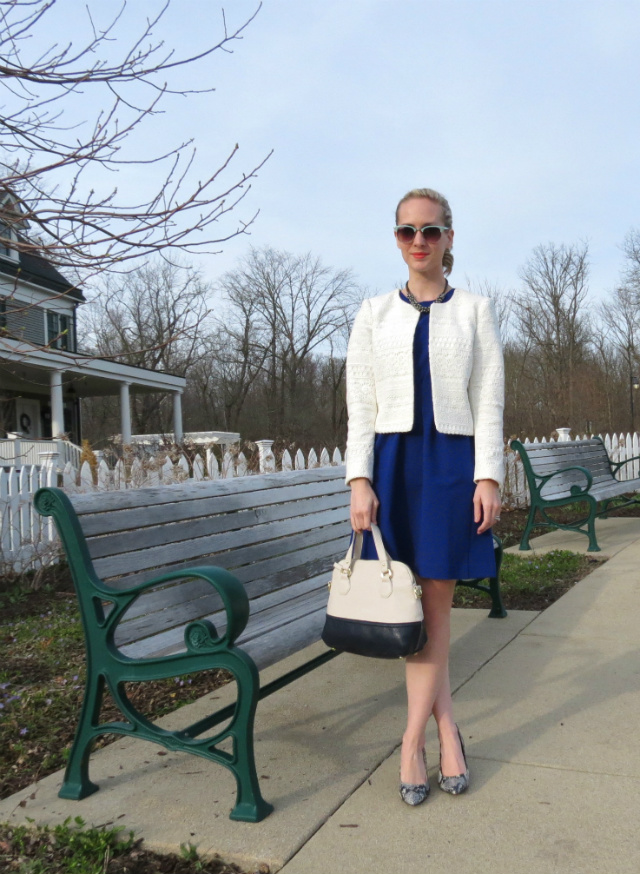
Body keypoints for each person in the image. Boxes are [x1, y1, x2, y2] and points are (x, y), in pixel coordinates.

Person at [345, 187, 504, 806]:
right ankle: (445, 727)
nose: (420, 242)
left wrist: (487, 476)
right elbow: (360, 405)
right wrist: (359, 480)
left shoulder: (477, 312)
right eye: (408, 231)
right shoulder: (373, 313)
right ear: (396, 239)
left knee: (435, 606)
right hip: (391, 464)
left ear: (449, 238)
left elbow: (489, 399)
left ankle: (411, 741)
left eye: (431, 231)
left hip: (449, 465)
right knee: (410, 610)